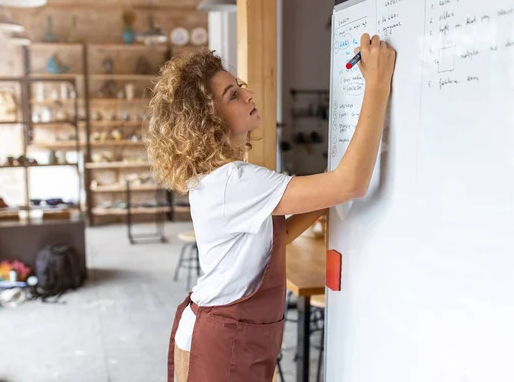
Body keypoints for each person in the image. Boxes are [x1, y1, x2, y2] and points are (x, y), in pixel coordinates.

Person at [146, 33, 396, 382]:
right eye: (233, 95)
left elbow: (277, 236)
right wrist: (378, 83)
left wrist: (325, 193)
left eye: (241, 87)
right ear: (209, 120)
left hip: (223, 331)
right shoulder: (234, 181)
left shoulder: (220, 179)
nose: (248, 94)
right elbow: (351, 182)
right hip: (224, 340)